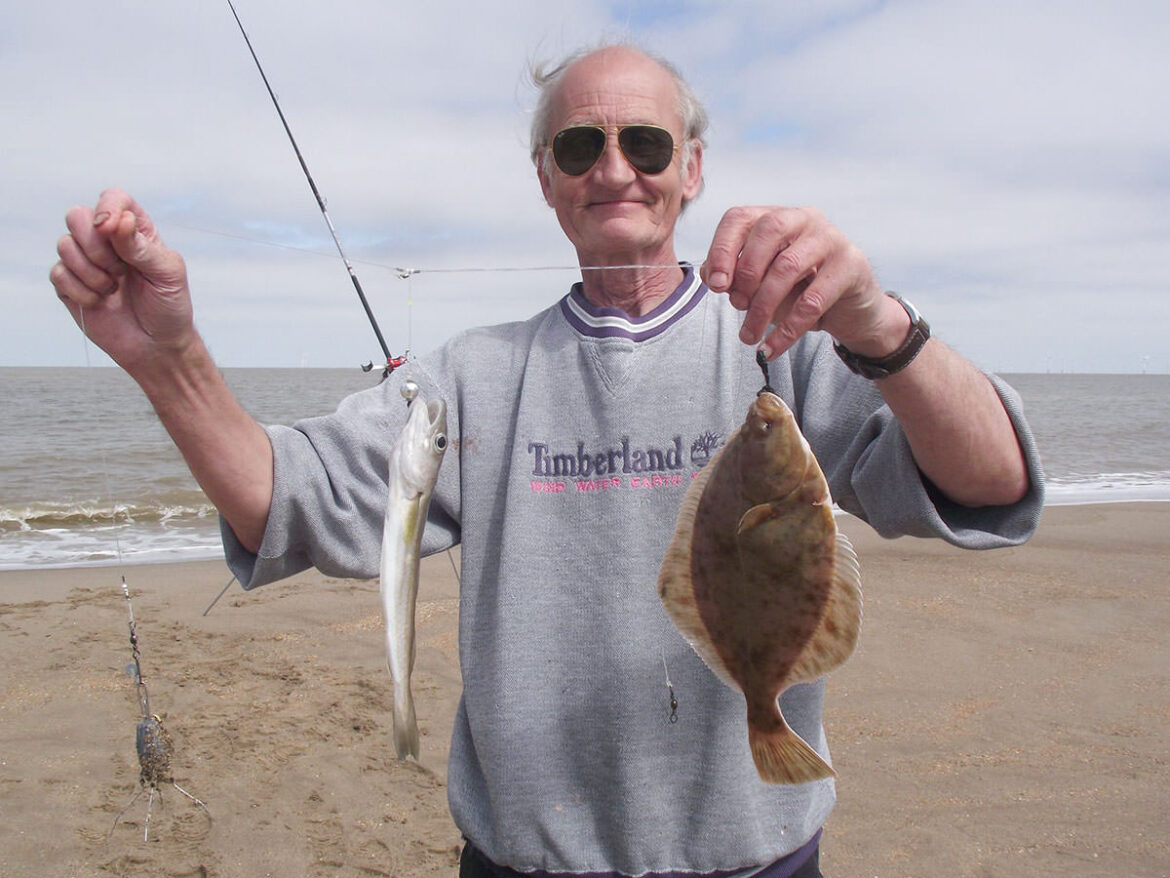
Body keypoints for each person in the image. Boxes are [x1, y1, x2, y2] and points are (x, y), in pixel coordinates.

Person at [51, 43, 1042, 878]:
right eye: (579, 145)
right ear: (546, 179)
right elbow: (286, 499)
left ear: (692, 167)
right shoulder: (471, 378)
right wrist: (168, 360)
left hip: (760, 858)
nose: (614, 169)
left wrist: (879, 325)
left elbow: (993, 484)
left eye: (646, 142)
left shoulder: (791, 351)